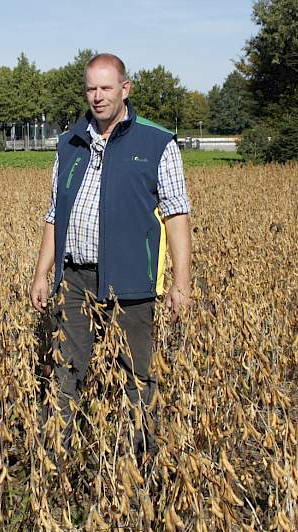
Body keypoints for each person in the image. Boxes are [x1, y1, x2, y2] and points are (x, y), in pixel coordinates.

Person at [29, 53, 192, 462]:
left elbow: (176, 215)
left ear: (125, 89)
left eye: (106, 88)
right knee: (68, 369)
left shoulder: (157, 142)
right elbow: (55, 213)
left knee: (137, 373)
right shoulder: (70, 142)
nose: (98, 97)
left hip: (131, 279)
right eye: (91, 88)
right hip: (75, 279)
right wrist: (42, 272)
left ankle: (142, 460)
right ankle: (59, 459)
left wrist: (181, 283)